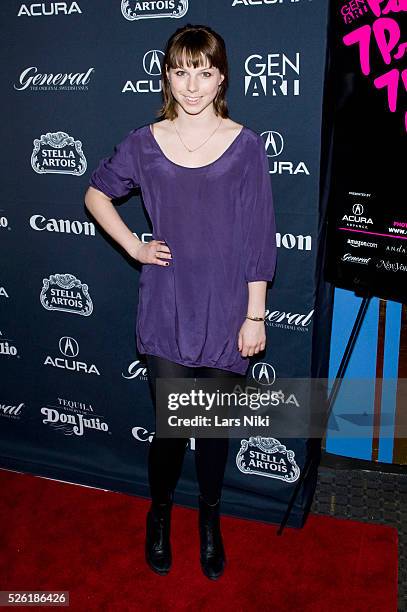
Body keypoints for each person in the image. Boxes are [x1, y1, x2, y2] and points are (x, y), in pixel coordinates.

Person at [84, 23, 277, 581]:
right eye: (181, 70)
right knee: (171, 428)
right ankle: (161, 514)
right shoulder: (144, 143)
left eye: (204, 71)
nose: (192, 85)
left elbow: (259, 235)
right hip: (167, 304)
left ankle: (210, 520)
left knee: (212, 431)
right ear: (168, 75)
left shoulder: (245, 146)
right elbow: (97, 192)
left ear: (220, 77)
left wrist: (255, 313)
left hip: (228, 311)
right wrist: (133, 245)